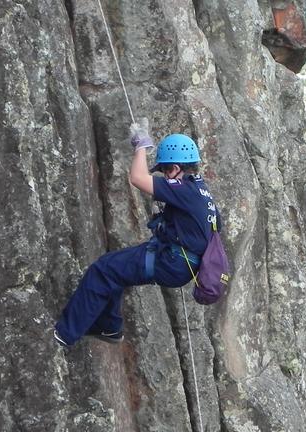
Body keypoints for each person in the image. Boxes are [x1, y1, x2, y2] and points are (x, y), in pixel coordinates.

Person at [53, 120, 220, 348]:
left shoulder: (185, 189)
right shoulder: (201, 190)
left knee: (103, 271)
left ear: (176, 168)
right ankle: (109, 326)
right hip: (180, 261)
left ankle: (64, 334)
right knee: (113, 269)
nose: (164, 175)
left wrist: (141, 146)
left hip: (171, 261)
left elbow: (138, 178)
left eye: (164, 170)